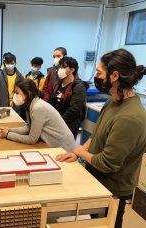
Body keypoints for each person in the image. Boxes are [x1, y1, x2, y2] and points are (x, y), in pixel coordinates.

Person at [56, 49, 146, 228]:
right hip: (97, 183)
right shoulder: (113, 101)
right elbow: (97, 134)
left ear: (114, 76)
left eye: (98, 72)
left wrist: (82, 152)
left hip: (113, 193)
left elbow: (107, 163)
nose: (95, 76)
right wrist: (78, 153)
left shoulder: (129, 117)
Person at [0, 78, 75, 152]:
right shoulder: (30, 104)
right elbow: (28, 128)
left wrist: (8, 135)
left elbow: (32, 139)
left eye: (17, 92)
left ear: (27, 93)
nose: (15, 95)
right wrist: (10, 130)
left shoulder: (38, 107)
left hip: (64, 148)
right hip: (55, 145)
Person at [48, 56, 88, 139]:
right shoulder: (57, 84)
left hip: (69, 124)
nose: (60, 69)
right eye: (59, 67)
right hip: (55, 122)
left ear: (72, 70)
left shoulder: (78, 86)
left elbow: (74, 109)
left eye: (63, 67)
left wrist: (60, 122)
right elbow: (51, 101)